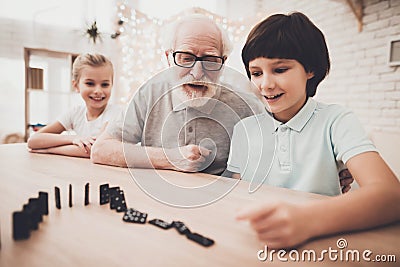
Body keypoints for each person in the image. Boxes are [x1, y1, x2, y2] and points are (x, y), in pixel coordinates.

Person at [226, 12, 400, 248]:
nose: (265, 84)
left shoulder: (337, 120)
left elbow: (391, 195)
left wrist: (306, 220)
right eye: (257, 73)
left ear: (311, 70)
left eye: (279, 70)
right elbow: (237, 196)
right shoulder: (243, 129)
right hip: (254, 243)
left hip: (320, 244)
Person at [91, 14, 264, 175]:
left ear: (223, 62)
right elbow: (101, 150)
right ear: (169, 58)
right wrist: (171, 158)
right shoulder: (149, 94)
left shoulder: (248, 106)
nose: (197, 73)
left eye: (210, 60)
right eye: (186, 58)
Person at [27, 53, 121, 158]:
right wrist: (74, 138)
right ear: (76, 85)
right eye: (90, 83)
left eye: (105, 84)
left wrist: (49, 149)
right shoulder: (76, 113)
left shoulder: (116, 114)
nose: (98, 91)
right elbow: (33, 141)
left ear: (111, 85)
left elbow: (95, 150)